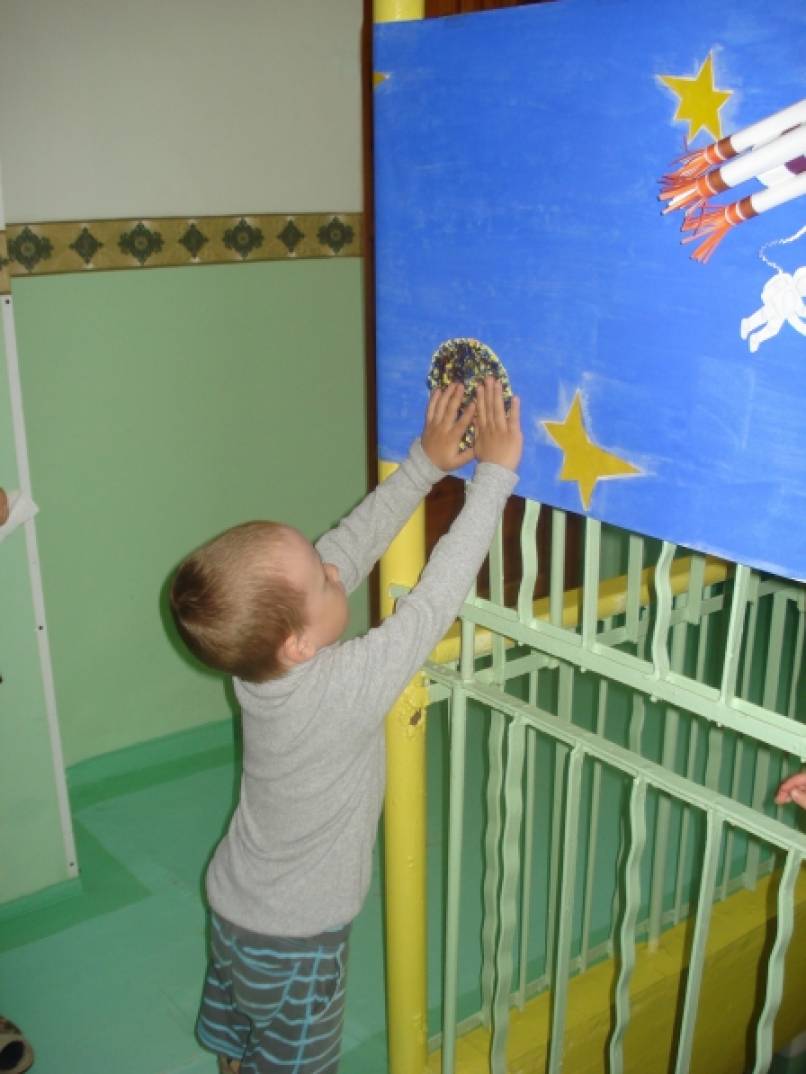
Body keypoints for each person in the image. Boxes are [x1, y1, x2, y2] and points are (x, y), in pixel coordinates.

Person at [169, 377, 522, 1074]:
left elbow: (348, 547)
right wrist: (494, 479)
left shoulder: (254, 665)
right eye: (323, 580)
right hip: (298, 941)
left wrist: (423, 466)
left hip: (236, 905)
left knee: (241, 1034)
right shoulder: (343, 689)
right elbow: (432, 601)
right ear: (298, 642)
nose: (335, 569)